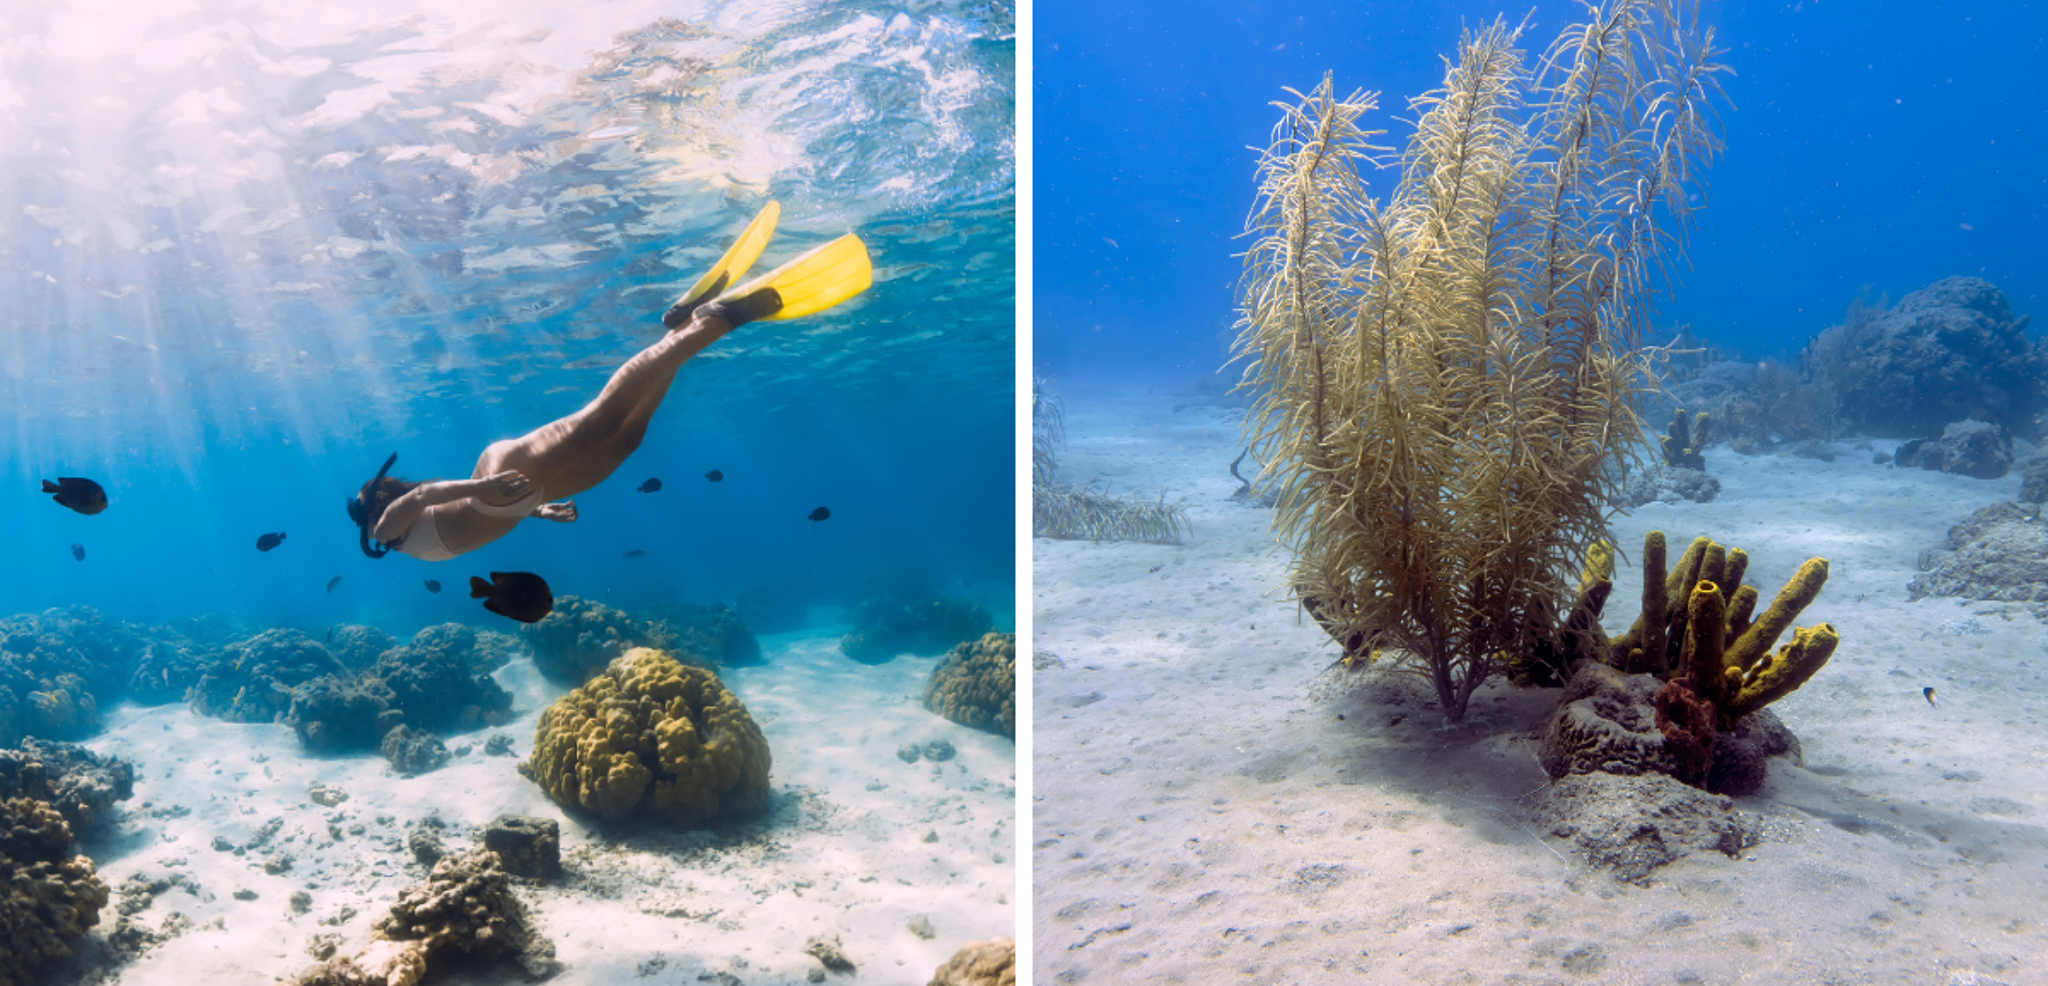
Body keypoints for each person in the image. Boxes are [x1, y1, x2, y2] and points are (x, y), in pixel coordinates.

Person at [346, 203, 870, 561]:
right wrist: (538, 513)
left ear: (374, 507)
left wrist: (484, 488)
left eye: (380, 497)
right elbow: (451, 515)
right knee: (627, 438)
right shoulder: (398, 537)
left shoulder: (384, 528)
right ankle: (684, 328)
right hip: (519, 497)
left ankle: (719, 319)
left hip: (497, 481)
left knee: (603, 419)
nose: (387, 497)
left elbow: (424, 499)